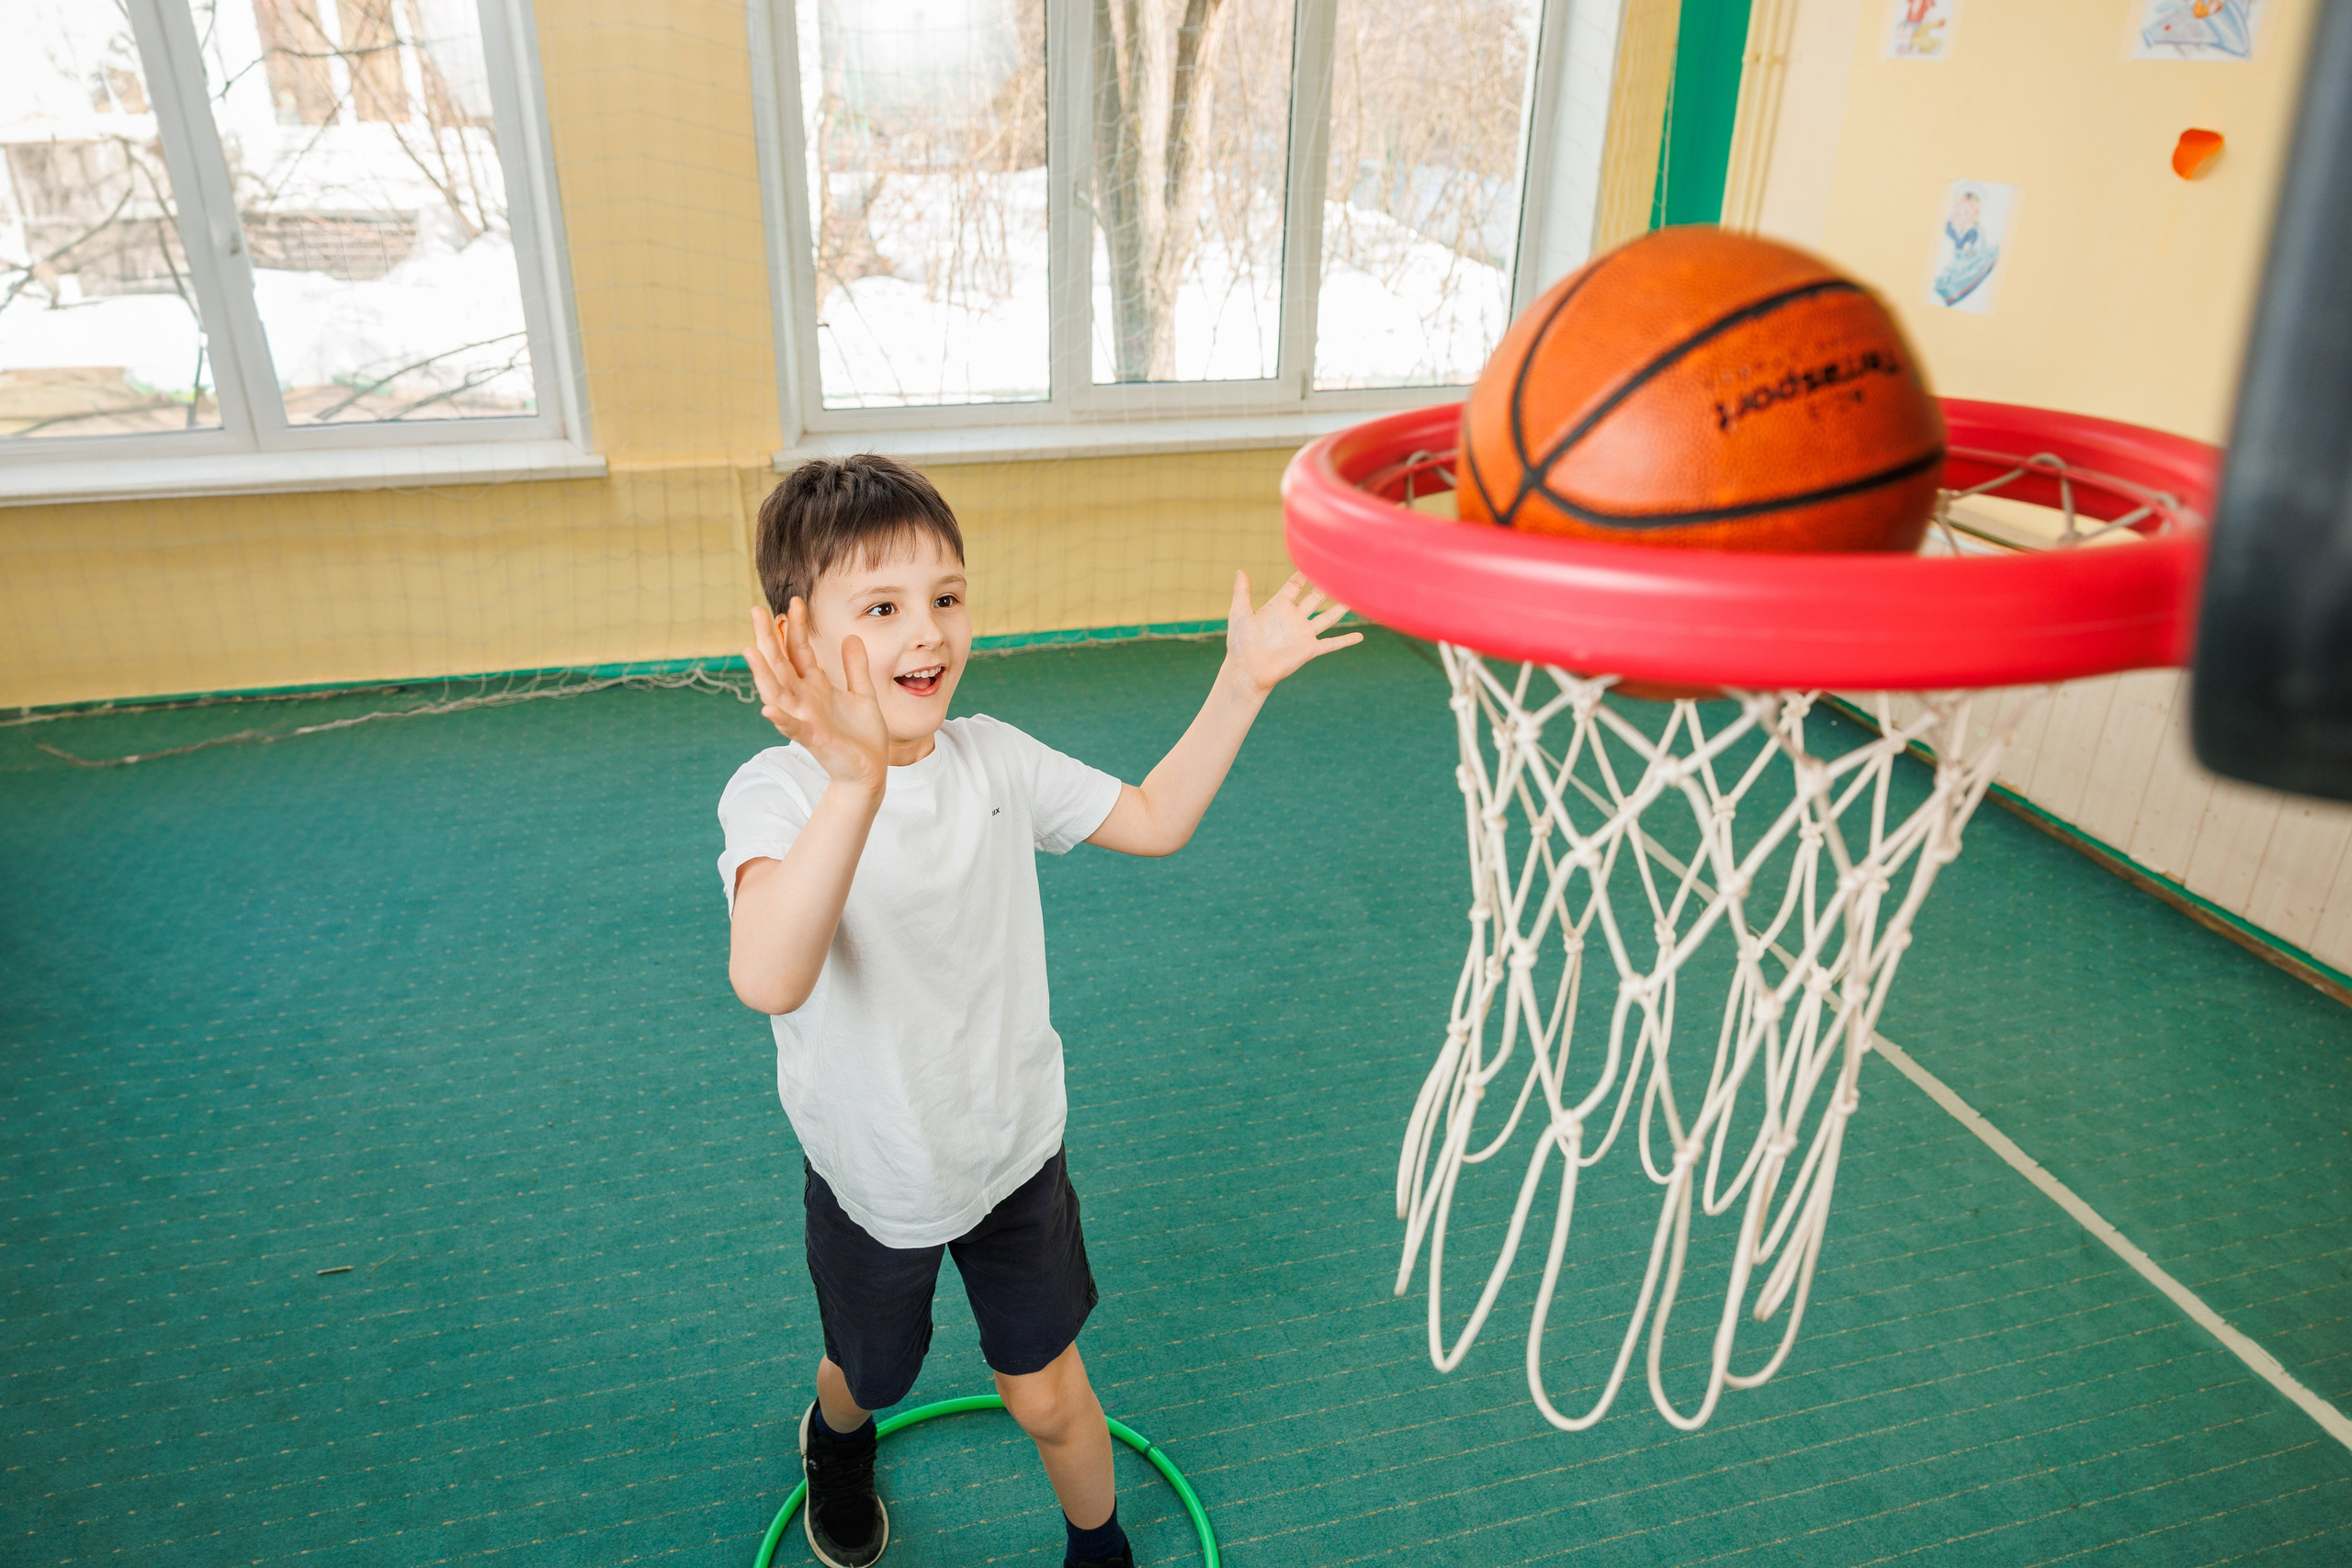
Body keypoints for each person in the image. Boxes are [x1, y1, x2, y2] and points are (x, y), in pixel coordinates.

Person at [718, 455, 1359, 1568]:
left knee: (1048, 1391)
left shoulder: (995, 758)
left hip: (1015, 1152)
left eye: (946, 596)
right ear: (796, 638)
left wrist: (1241, 682)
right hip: (878, 1175)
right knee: (872, 1371)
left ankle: (1097, 1546)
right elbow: (772, 977)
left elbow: (1154, 818)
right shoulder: (775, 793)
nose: (929, 632)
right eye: (882, 607)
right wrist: (857, 781)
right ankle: (836, 1435)